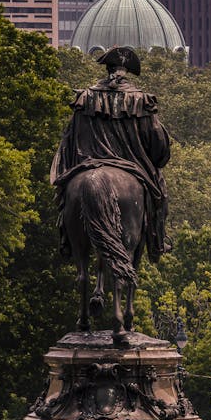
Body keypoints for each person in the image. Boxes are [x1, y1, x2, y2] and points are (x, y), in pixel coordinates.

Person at [51, 46, 171, 265]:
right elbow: (158, 145)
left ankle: (66, 240)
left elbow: (70, 138)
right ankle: (157, 241)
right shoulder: (141, 101)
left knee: (64, 196)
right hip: (131, 166)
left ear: (108, 69)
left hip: (88, 163)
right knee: (160, 195)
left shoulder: (85, 98)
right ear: (127, 72)